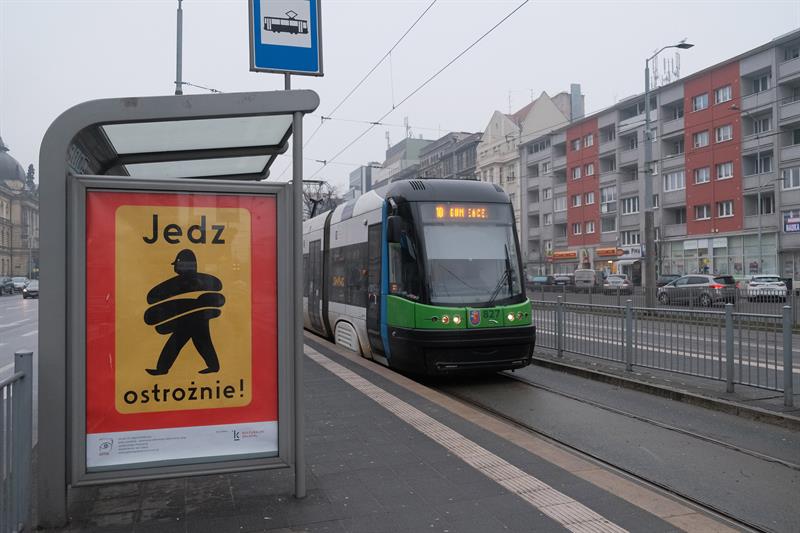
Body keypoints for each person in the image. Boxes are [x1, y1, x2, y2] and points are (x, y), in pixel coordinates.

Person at [143, 249, 225, 375]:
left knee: (180, 342)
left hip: (192, 317)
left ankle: (162, 369)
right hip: (195, 316)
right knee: (200, 341)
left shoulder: (182, 283)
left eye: (176, 264)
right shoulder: (195, 281)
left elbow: (155, 296)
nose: (175, 267)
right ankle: (213, 366)